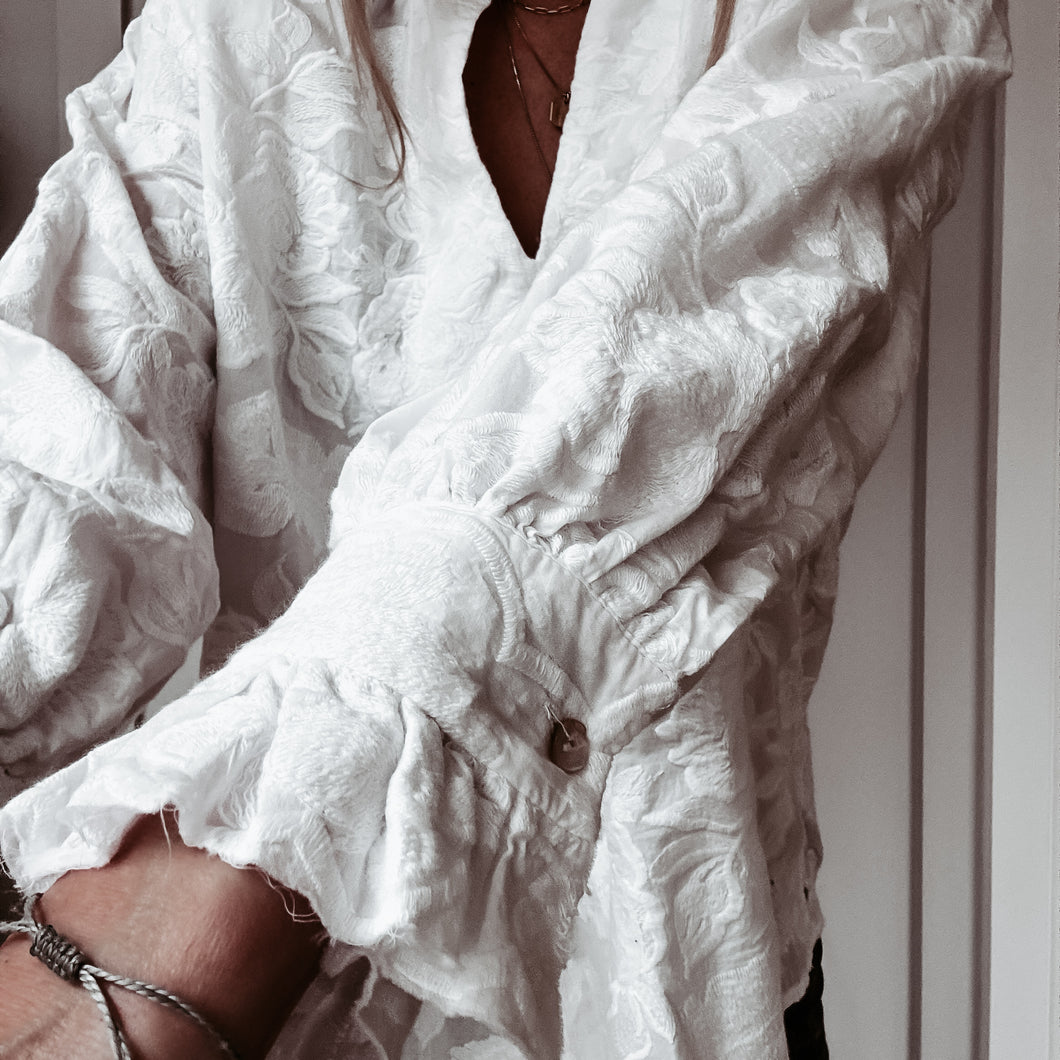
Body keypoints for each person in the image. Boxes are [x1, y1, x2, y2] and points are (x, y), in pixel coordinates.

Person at [0, 0, 1009, 1056]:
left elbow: (612, 415)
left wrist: (170, 941)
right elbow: (61, 452)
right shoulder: (230, 29)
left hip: (685, 981)